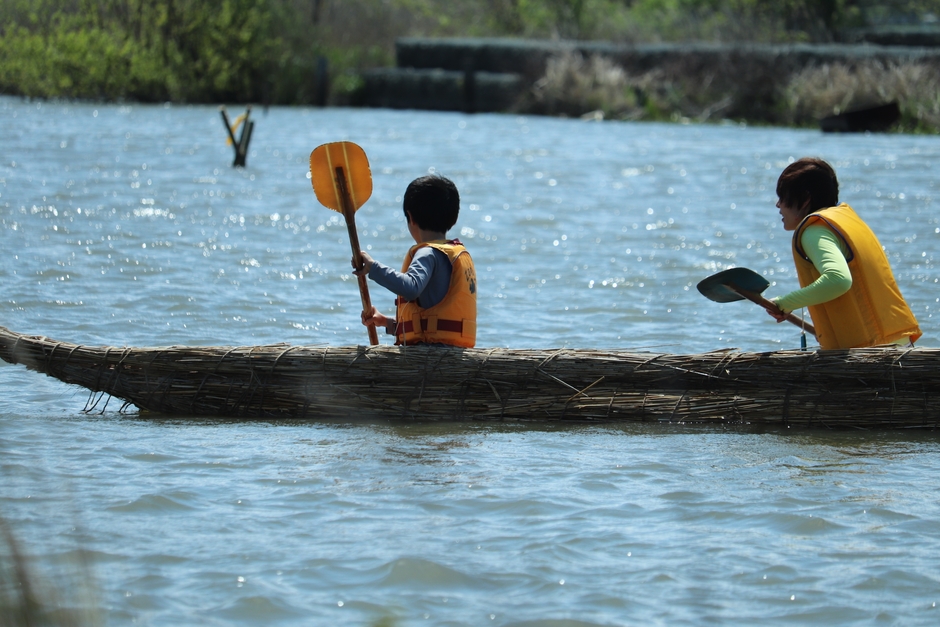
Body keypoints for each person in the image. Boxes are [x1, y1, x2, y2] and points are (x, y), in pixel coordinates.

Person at [766, 157, 921, 349]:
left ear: (805, 199)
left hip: (873, 353)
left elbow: (838, 279)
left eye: (783, 197)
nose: (778, 205)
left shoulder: (814, 231)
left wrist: (786, 302)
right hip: (899, 344)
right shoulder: (845, 220)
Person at [353, 174, 477, 347]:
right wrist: (387, 323)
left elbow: (411, 288)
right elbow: (428, 326)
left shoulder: (427, 253)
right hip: (450, 356)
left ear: (410, 218)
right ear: (453, 218)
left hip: (431, 361)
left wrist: (373, 268)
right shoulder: (454, 253)